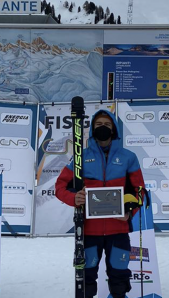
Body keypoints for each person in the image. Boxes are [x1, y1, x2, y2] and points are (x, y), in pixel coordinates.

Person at [55, 109, 146, 298]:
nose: (102, 128)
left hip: (118, 230)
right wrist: (74, 198)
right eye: (98, 125)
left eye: (107, 125)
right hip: (89, 231)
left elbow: (139, 191)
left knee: (119, 279)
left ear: (114, 129)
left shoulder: (128, 157)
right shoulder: (80, 158)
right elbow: (60, 186)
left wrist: (129, 211)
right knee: (86, 279)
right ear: (92, 129)